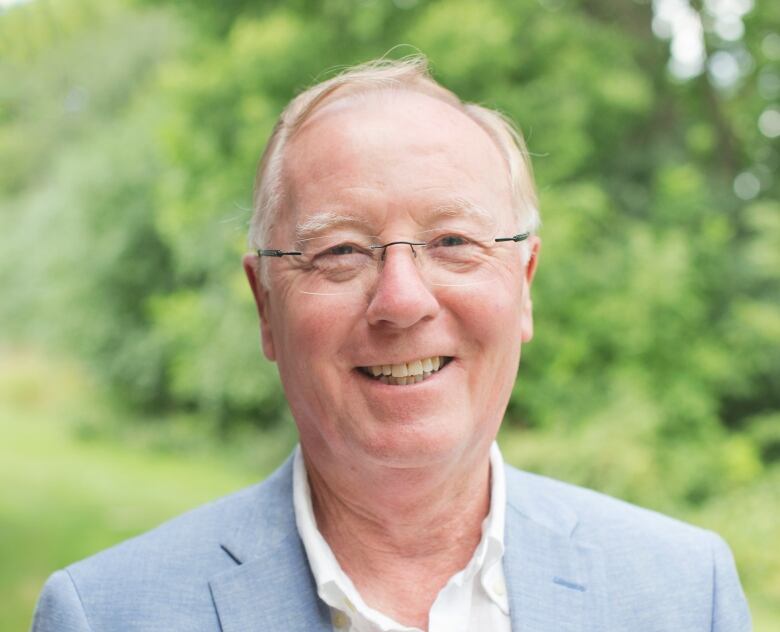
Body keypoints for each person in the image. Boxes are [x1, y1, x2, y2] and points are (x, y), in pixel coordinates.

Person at [32, 55, 751, 632]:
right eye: (341, 251)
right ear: (265, 306)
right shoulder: (105, 615)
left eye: (452, 242)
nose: (402, 300)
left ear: (524, 283)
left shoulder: (687, 595)